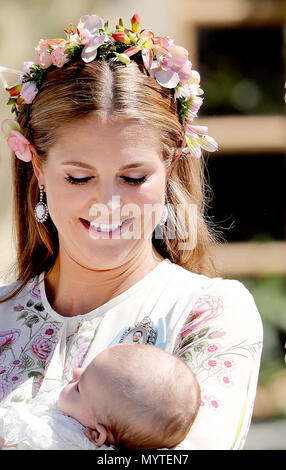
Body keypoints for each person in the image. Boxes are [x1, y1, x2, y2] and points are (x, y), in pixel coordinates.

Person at [0, 13, 263, 450]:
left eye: (134, 178)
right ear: (39, 169)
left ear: (171, 165)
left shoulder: (210, 315)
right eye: (79, 179)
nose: (108, 203)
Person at [0, 343, 200, 450]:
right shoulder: (85, 416)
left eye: (79, 388)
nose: (76, 371)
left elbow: (12, 432)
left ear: (96, 434)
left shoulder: (59, 438)